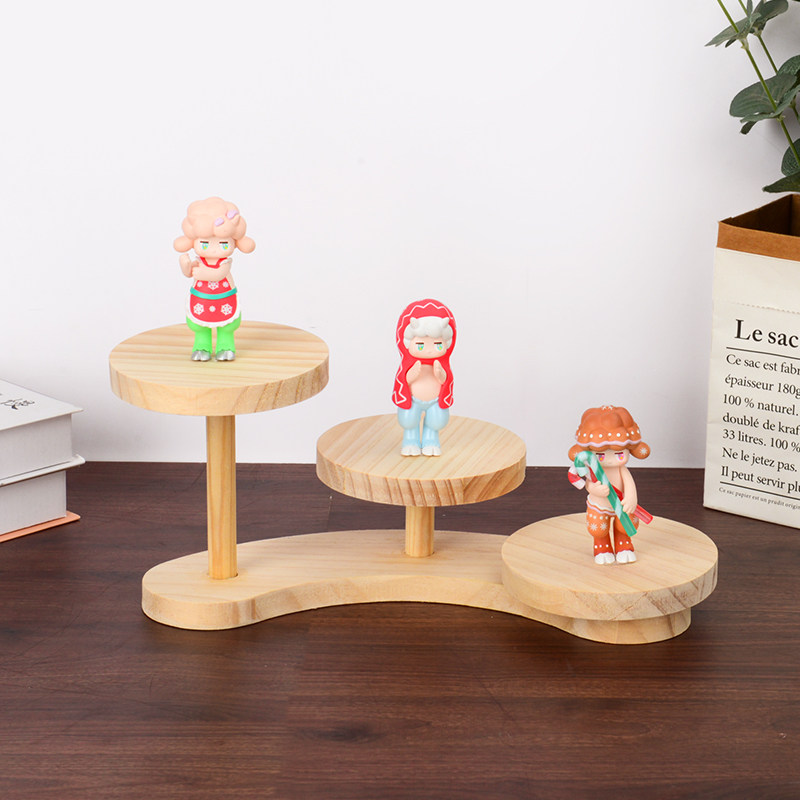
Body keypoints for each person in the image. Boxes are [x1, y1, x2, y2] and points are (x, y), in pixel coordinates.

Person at [174, 197, 255, 361]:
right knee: (200, 326)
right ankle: (201, 347)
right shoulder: (200, 261)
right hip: (202, 299)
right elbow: (188, 273)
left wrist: (200, 273)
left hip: (223, 299)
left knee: (226, 326)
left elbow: (218, 274)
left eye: (224, 244)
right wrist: (186, 265)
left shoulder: (225, 262)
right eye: (204, 244)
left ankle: (225, 347)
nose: (214, 250)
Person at [567, 405, 651, 565]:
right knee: (599, 528)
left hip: (621, 504)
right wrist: (594, 489)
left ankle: (624, 546)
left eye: (619, 454)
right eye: (601, 455)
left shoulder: (621, 470)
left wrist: (631, 498)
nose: (611, 459)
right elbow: (589, 485)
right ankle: (602, 548)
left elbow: (629, 484)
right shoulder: (593, 470)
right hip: (599, 505)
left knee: (624, 526)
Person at [392, 299, 456, 456]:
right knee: (409, 421)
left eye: (437, 344)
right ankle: (410, 441)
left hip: (435, 400)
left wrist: (441, 376)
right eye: (420, 345)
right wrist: (410, 377)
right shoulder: (409, 365)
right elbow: (402, 382)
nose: (429, 350)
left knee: (437, 421)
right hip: (413, 399)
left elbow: (447, 381)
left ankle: (431, 440)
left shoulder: (441, 365)